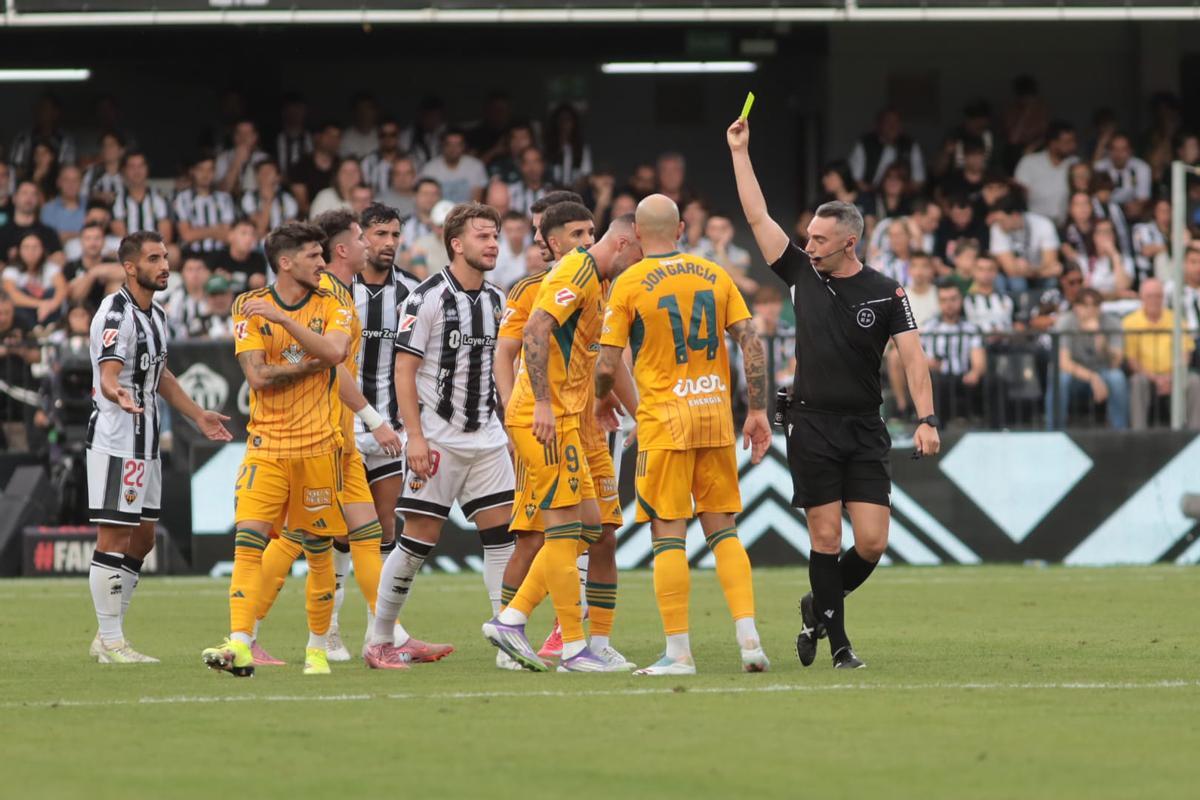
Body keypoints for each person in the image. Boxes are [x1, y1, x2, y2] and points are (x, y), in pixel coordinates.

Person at [728, 116, 939, 670]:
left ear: (850, 242)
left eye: (820, 239)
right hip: (812, 424)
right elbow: (757, 216)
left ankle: (816, 604)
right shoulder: (802, 273)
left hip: (865, 427)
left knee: (871, 542)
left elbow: (913, 356)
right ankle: (840, 646)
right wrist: (740, 153)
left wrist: (927, 418)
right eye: (808, 237)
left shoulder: (887, 292)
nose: (809, 246)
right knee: (824, 538)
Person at [592, 192, 771, 675]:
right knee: (723, 530)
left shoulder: (629, 283)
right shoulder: (715, 273)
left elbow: (607, 364)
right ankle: (750, 640)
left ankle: (678, 652)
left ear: (637, 233)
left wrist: (602, 399)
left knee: (667, 534)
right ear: (680, 230)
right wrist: (757, 409)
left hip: (664, 422)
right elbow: (751, 341)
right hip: (714, 416)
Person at [250, 210, 411, 667]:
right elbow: (333, 366)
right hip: (319, 434)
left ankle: (386, 634)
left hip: (335, 433)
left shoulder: (335, 293)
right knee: (296, 536)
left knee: (364, 532)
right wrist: (372, 417)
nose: (368, 245)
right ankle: (249, 633)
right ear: (342, 249)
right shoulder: (327, 298)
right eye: (362, 237)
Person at [481, 201, 636, 673]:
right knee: (559, 532)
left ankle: (512, 618)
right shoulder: (577, 271)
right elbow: (534, 331)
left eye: (588, 231)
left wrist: (615, 403)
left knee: (590, 526)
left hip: (572, 420)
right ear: (625, 243)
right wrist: (543, 404)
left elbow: (599, 355)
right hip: (543, 418)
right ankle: (572, 648)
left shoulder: (601, 281)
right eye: (641, 255)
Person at [201, 222, 354, 678]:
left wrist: (286, 323)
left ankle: (317, 650)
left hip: (319, 447)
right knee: (248, 543)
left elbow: (335, 353)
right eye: (314, 256)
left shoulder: (334, 302)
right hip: (265, 447)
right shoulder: (247, 305)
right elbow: (258, 377)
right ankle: (240, 642)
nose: (323, 263)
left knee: (319, 551)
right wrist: (312, 361)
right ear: (286, 263)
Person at [369, 203, 516, 666]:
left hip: (487, 437)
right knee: (418, 540)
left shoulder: (497, 300)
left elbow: (501, 369)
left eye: (495, 237)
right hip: (437, 439)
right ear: (456, 243)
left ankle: (507, 639)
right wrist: (414, 437)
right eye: (482, 237)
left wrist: (511, 426)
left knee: (503, 536)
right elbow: (404, 371)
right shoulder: (427, 297)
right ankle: (380, 637)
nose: (492, 245)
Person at [89, 232, 232, 664]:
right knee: (115, 534)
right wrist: (114, 392)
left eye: (166, 257)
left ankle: (108, 634)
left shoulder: (157, 314)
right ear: (130, 267)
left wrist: (198, 415)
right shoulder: (116, 314)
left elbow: (161, 374)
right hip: (118, 438)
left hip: (146, 439)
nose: (165, 265)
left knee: (144, 538)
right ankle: (111, 640)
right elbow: (109, 373)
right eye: (154, 258)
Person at [1123, 278, 1200, 429]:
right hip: (1145, 376)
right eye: (1149, 296)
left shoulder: (1177, 320)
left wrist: (1170, 377)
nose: (1154, 300)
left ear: (1163, 298)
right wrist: (1156, 379)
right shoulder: (1130, 322)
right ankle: (1138, 433)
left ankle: (1195, 433)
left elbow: (1185, 355)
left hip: (1174, 375)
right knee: (1137, 382)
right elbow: (1132, 360)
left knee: (1195, 382)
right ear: (1141, 298)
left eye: (1158, 296)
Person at [1046, 288, 1128, 430]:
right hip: (1076, 375)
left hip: (1103, 371)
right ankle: (1055, 431)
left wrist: (1099, 338)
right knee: (1061, 379)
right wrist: (1092, 377)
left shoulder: (1112, 322)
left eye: (1095, 305)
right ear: (1076, 307)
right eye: (1085, 305)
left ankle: (1120, 431)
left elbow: (1116, 362)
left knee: (1117, 377)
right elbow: (1063, 363)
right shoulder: (1066, 321)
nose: (1090, 310)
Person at [923, 281, 987, 422]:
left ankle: (995, 428)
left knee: (994, 382)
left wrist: (975, 372)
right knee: (936, 382)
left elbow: (978, 359)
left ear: (961, 300)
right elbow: (916, 357)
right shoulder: (928, 328)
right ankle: (937, 425)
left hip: (963, 377)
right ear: (938, 302)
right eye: (944, 300)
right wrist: (927, 363)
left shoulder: (971, 328)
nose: (949, 304)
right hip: (936, 377)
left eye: (953, 299)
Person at [989, 195, 1061, 292]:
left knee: (1052, 280)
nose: (999, 224)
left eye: (1002, 220)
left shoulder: (1044, 224)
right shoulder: (997, 228)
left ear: (1015, 215)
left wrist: (1031, 270)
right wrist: (1042, 271)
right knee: (1015, 282)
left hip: (1039, 275)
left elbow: (1050, 262)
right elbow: (1010, 270)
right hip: (1021, 276)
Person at [1013, 120, 1078, 225]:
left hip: (1066, 225)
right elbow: (1018, 193)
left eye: (1073, 141)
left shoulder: (1075, 163)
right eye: (1067, 142)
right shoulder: (1029, 162)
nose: (1072, 146)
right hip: (1035, 224)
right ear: (1053, 143)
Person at [848, 108, 926, 191]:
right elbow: (855, 179)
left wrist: (898, 193)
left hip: (903, 195)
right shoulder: (865, 144)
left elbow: (918, 181)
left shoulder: (910, 145)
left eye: (896, 122)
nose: (893, 126)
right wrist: (874, 194)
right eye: (888, 122)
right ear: (879, 125)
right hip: (869, 193)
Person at [174, 154, 236, 254]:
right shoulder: (182, 198)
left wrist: (197, 232)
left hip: (221, 254)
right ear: (192, 171)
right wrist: (215, 230)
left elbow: (226, 235)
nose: (205, 174)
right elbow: (187, 235)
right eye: (201, 169)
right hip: (191, 254)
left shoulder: (225, 198)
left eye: (210, 170)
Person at [3, 233, 67, 327]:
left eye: (35, 247)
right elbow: (12, 296)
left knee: (52, 293)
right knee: (22, 293)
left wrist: (51, 305)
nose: (31, 251)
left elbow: (62, 289)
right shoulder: (10, 271)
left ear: (42, 249)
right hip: (26, 313)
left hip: (48, 311)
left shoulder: (51, 268)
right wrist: (41, 304)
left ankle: (52, 327)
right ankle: (33, 329)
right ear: (19, 250)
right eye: (26, 247)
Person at [111, 153, 172, 243]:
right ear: (124, 170)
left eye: (140, 166)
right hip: (127, 249)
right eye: (132, 167)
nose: (137, 171)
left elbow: (166, 236)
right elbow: (120, 236)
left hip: (156, 248)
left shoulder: (159, 198)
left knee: (173, 250)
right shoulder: (117, 200)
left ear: (147, 169)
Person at [64, 222, 124, 311]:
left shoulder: (111, 261)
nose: (93, 243)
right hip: (80, 313)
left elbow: (127, 273)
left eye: (97, 238)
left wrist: (95, 271)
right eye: (88, 238)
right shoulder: (70, 267)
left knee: (116, 285)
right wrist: (92, 274)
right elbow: (75, 298)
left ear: (104, 241)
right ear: (81, 241)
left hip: (107, 312)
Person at [0, 180, 63, 264]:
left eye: (34, 194)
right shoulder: (3, 233)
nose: (29, 197)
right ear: (14, 198)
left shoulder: (48, 233)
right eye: (24, 193)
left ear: (38, 200)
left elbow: (60, 258)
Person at [419, 129, 488, 205]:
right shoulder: (430, 168)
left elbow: (476, 201)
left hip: (468, 211)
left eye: (458, 145)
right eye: (449, 144)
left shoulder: (475, 166)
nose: (453, 148)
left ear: (463, 146)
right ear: (442, 145)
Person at [1093, 132, 1152, 219]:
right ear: (1109, 151)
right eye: (1114, 149)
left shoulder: (1141, 168)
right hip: (1106, 212)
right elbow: (1096, 196)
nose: (1118, 154)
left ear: (1130, 151)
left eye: (1123, 149)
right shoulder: (1101, 167)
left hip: (1132, 213)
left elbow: (1143, 198)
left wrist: (1136, 206)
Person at [289, 121, 341, 215]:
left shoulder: (342, 166)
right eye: (329, 135)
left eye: (337, 137)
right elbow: (302, 205)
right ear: (317, 137)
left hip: (340, 216)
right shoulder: (300, 167)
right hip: (312, 218)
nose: (333, 140)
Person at [242, 160, 300, 239]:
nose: (265, 175)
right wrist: (268, 200)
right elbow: (260, 229)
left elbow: (289, 231)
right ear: (256, 176)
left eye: (269, 172)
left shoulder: (287, 200)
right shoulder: (249, 198)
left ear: (278, 177)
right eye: (261, 172)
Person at [206, 218, 268, 291]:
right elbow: (205, 279)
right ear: (231, 235)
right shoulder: (218, 257)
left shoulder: (258, 259)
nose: (249, 238)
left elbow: (259, 282)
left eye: (252, 234)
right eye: (243, 233)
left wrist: (231, 278)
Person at [962, 254, 1014, 334]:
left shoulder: (1007, 298)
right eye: (981, 269)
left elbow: (1016, 325)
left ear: (996, 272)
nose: (986, 273)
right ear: (973, 271)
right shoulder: (965, 300)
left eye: (990, 269)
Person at [215, 120, 270, 197]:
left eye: (247, 133)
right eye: (239, 133)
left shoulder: (264, 159)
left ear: (255, 137)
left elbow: (269, 190)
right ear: (234, 136)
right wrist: (236, 162)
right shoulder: (223, 158)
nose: (243, 137)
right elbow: (221, 192)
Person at [163, 254, 211, 339]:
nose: (195, 274)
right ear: (182, 274)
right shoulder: (173, 299)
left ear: (207, 273)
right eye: (190, 269)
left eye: (199, 269)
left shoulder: (215, 296)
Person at [545, 103, 593, 187]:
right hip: (552, 192)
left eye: (568, 120)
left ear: (574, 123)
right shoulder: (548, 148)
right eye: (561, 120)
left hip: (575, 192)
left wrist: (572, 192)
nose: (564, 124)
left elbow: (585, 175)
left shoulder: (582, 149)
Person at [40, 165, 86, 243]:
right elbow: (48, 238)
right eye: (66, 180)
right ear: (59, 182)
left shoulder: (90, 206)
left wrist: (63, 235)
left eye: (75, 180)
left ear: (82, 183)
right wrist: (81, 235)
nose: (71, 184)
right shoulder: (47, 209)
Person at [82, 131, 126, 205]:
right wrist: (95, 196)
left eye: (111, 145)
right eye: (104, 145)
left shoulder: (128, 173)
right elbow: (81, 196)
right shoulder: (92, 172)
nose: (107, 149)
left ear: (121, 150)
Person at [493, 210, 531, 290]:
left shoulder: (535, 252)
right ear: (502, 231)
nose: (514, 234)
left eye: (519, 229)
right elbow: (490, 282)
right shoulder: (494, 253)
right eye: (509, 230)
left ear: (527, 229)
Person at [507, 146, 550, 215]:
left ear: (543, 165)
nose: (532, 168)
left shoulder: (553, 192)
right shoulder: (510, 192)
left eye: (536, 161)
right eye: (527, 162)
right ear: (520, 166)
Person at [339, 94, 380, 160]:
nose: (364, 114)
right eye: (360, 109)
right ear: (354, 112)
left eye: (368, 109)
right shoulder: (344, 137)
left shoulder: (385, 135)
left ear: (375, 112)